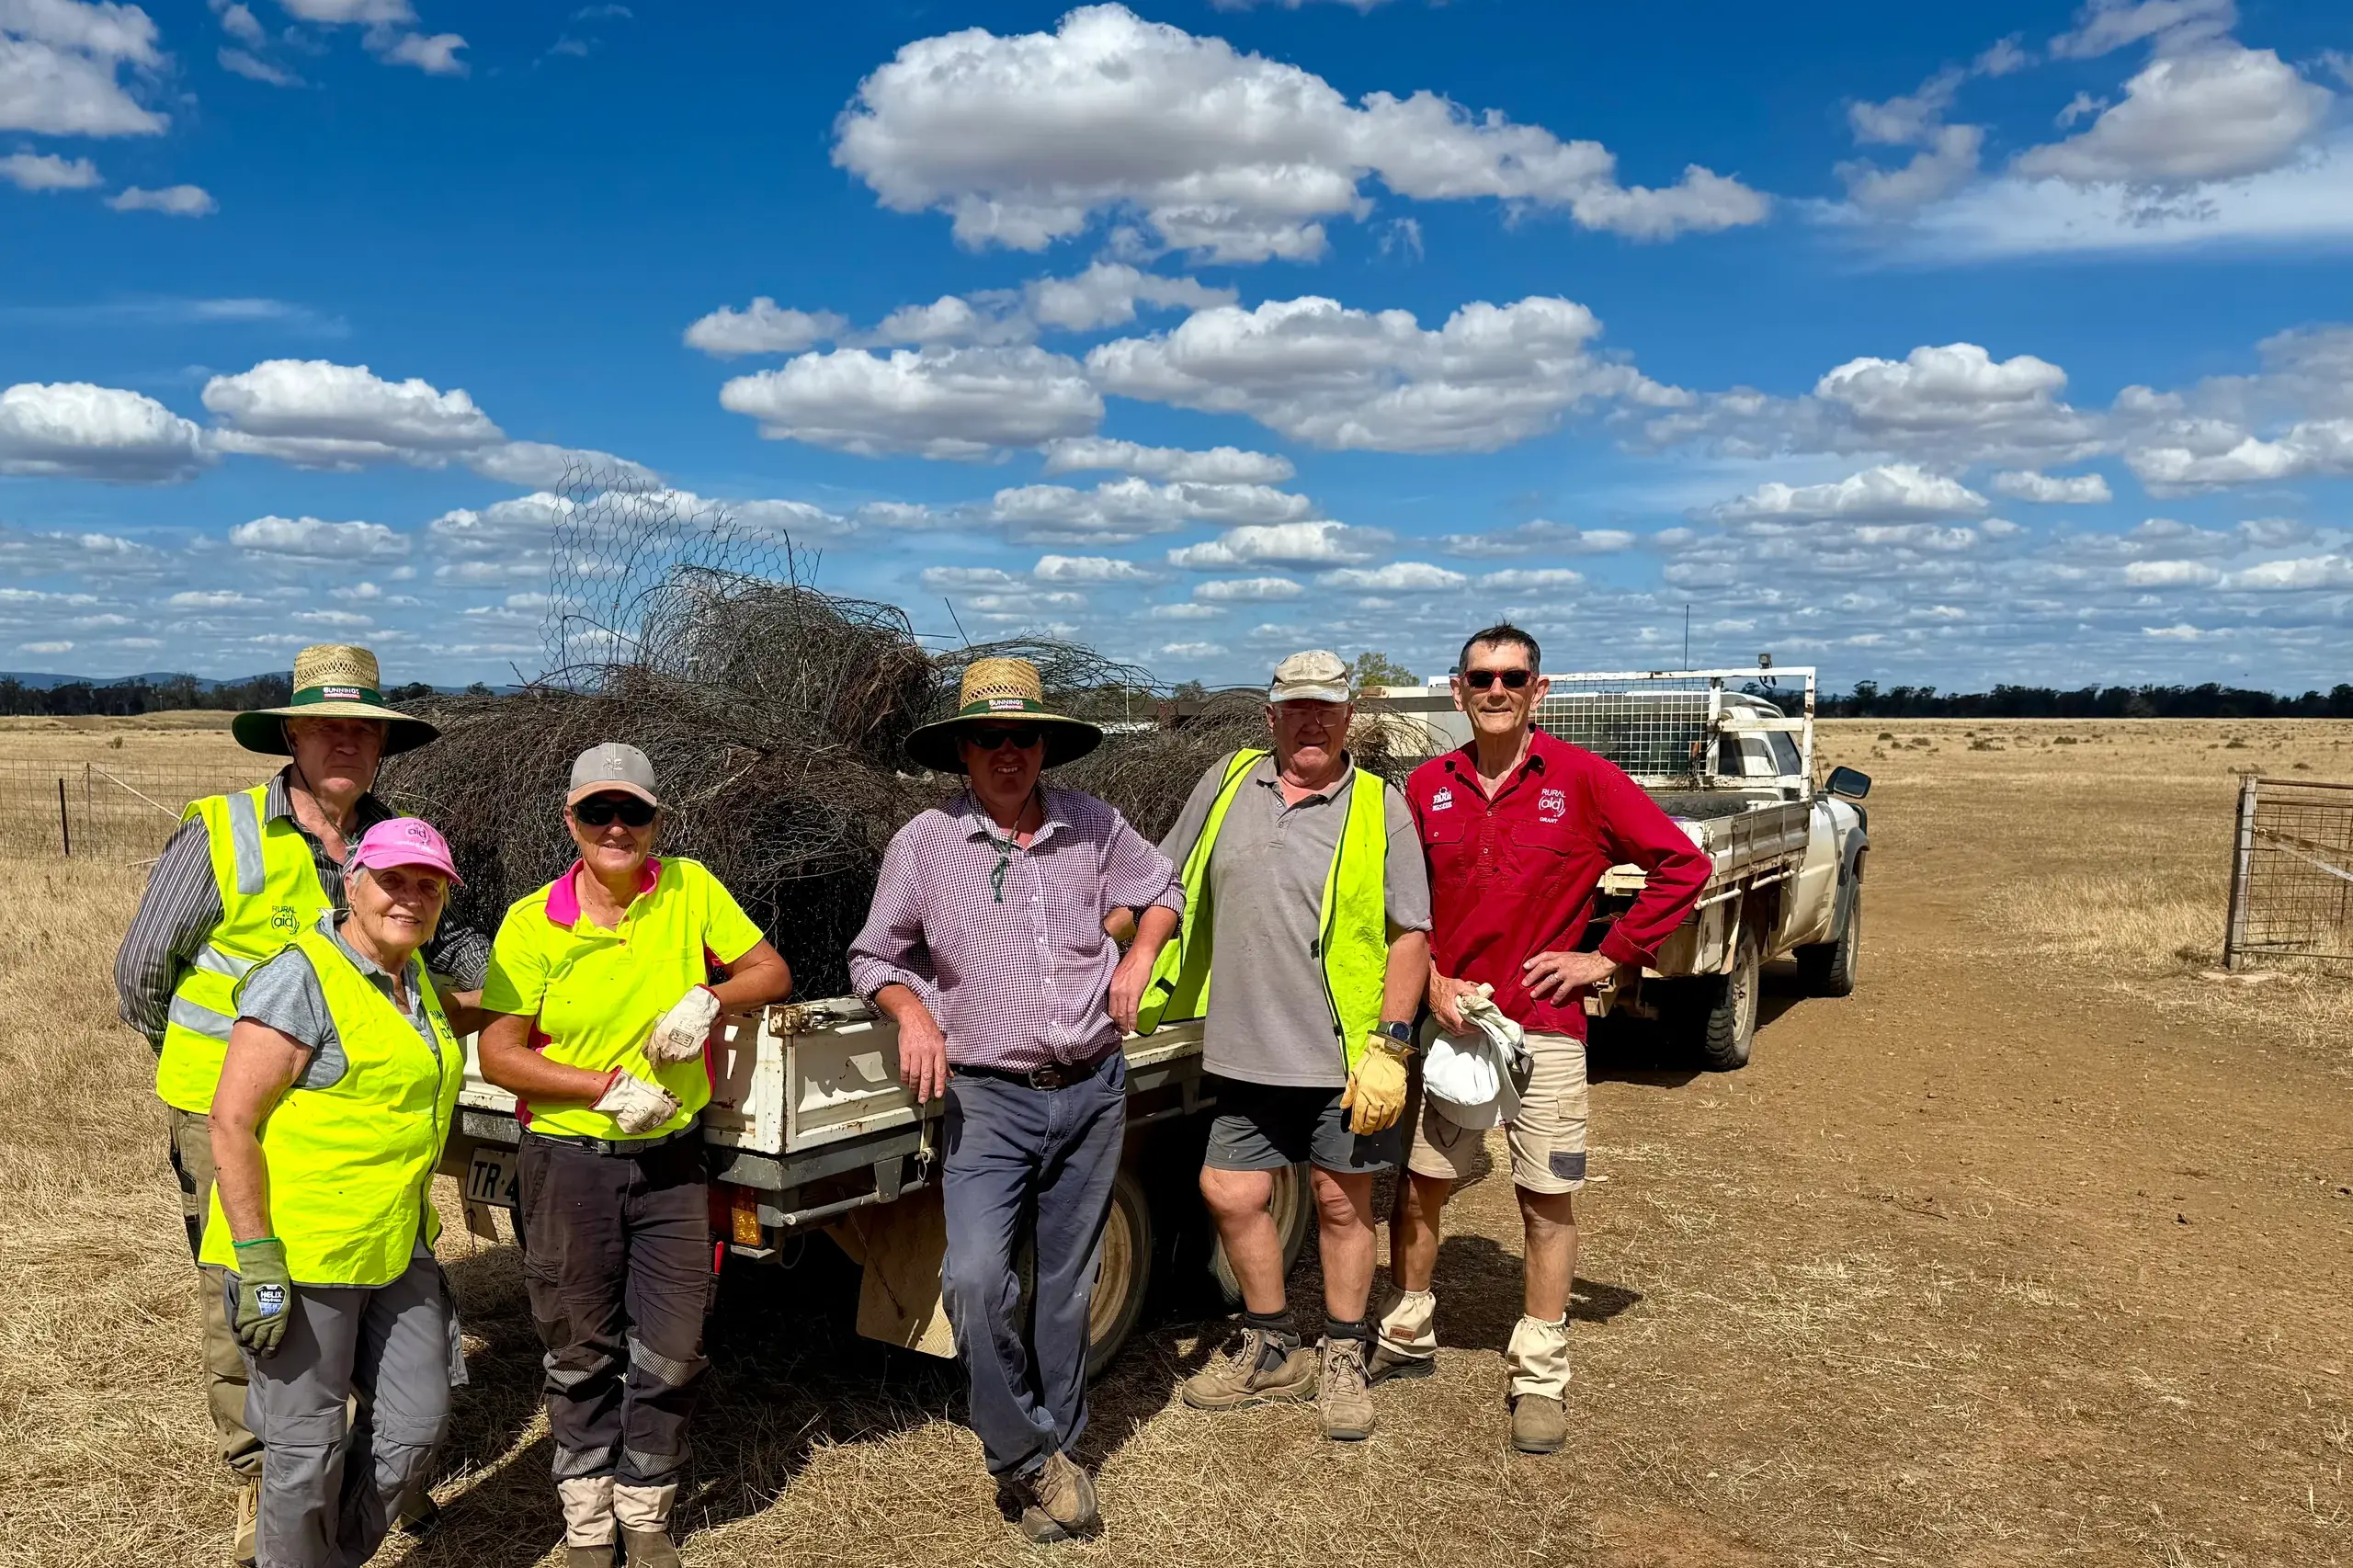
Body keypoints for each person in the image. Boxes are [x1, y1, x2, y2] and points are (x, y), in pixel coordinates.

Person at [113, 643, 488, 1566]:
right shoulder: (225, 831)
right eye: (328, 724)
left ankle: (356, 1473)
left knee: (380, 1267)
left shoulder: (396, 843)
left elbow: (464, 959)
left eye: (365, 729)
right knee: (247, 1294)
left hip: (350, 1117)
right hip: (225, 1106)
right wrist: (229, 1068)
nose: (346, 742)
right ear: (289, 731)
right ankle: (267, 1478)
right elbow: (140, 971)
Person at [849, 657, 1181, 1544]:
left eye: (1023, 736)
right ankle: (1025, 1457)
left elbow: (1162, 891)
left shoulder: (1092, 823)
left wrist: (1141, 957)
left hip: (1092, 1085)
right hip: (989, 1098)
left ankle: (1059, 1448)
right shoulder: (925, 844)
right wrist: (913, 1013)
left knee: (1067, 1285)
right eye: (989, 737)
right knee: (975, 1278)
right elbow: (873, 956)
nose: (1008, 753)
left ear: (1045, 745)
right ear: (962, 748)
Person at [1377, 624, 1709, 1452]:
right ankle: (1408, 1334)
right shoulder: (1426, 787)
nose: (1496, 690)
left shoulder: (1585, 780)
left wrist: (1609, 957)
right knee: (1421, 1185)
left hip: (1545, 1028)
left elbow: (1682, 866)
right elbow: (1400, 903)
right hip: (1451, 1018)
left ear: (1538, 690)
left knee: (1545, 1198)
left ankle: (1540, 1373)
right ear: (1457, 691)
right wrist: (1436, 981)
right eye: (1481, 678)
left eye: (1512, 677)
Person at [475, 743, 791, 1568]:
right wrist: (597, 1089)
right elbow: (502, 1054)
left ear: (657, 821)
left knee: (674, 1343)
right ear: (570, 821)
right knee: (579, 1346)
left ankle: (645, 1512)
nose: (617, 828)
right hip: (569, 1160)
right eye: (598, 813)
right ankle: (587, 1527)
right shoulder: (531, 920)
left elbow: (773, 971)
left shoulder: (690, 889)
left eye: (635, 813)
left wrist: (709, 994)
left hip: (670, 1165)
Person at [1143, 649, 1432, 1443]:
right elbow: (1164, 877)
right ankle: (1273, 1345)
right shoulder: (1229, 781)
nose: (1313, 721)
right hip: (1246, 1049)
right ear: (1271, 718)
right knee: (1232, 1192)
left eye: (1327, 709)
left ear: (1349, 720)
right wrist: (1128, 945)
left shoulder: (1382, 805)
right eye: (1297, 708)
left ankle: (1342, 1352)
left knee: (1343, 1206)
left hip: (1345, 1054)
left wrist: (1393, 1042)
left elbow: (1412, 932)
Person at [203, 817, 473, 1568]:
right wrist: (257, 1255)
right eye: (393, 880)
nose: (411, 899)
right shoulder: (301, 976)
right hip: (301, 1255)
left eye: (429, 886)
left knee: (416, 1427)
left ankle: (330, 1557)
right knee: (304, 1450)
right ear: (353, 881)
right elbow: (231, 1123)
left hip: (392, 1244)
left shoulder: (412, 976)